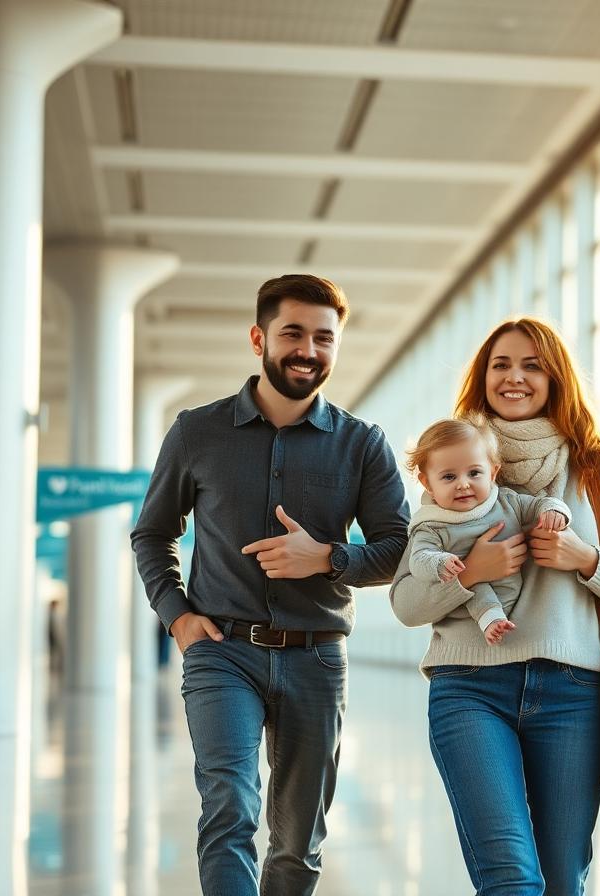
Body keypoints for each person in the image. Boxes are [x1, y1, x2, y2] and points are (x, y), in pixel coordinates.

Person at [131, 274, 409, 896]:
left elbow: (398, 549)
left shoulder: (363, 446)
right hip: (221, 651)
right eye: (292, 333)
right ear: (258, 338)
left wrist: (327, 559)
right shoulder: (195, 433)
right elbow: (152, 533)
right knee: (229, 806)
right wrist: (176, 615)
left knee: (297, 841)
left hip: (316, 656)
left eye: (324, 338)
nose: (308, 350)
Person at [389, 317, 600, 896]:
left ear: (556, 378)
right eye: (501, 365)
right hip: (469, 688)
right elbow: (408, 604)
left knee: (563, 880)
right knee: (510, 877)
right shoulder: (453, 467)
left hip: (573, 696)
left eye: (531, 365)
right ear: (482, 378)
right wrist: (474, 574)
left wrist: (584, 557)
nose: (514, 378)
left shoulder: (597, 470)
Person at [404, 416, 570, 645]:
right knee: (477, 587)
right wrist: (440, 562)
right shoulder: (431, 525)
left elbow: (540, 504)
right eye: (449, 477)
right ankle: (491, 620)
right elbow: (419, 559)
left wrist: (554, 510)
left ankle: (495, 620)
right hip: (468, 607)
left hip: (530, 621)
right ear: (428, 484)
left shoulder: (506, 502)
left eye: (474, 473)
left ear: (492, 473)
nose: (463, 484)